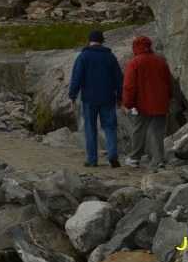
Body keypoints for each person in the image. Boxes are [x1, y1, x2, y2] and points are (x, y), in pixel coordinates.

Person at [68, 28, 124, 167]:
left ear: (90, 40)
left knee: (90, 128)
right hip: (108, 97)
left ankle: (92, 160)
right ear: (102, 41)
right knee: (110, 127)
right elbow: (118, 79)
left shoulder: (83, 56)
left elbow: (77, 78)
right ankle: (112, 153)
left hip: (89, 98)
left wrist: (72, 95)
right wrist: (120, 97)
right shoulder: (110, 57)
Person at [122, 34, 174, 169]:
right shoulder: (160, 61)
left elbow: (129, 86)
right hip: (160, 103)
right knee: (158, 132)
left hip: (142, 104)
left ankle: (135, 158)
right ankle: (159, 160)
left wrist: (127, 104)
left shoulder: (134, 62)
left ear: (135, 47)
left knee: (139, 130)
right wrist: (168, 97)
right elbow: (169, 82)